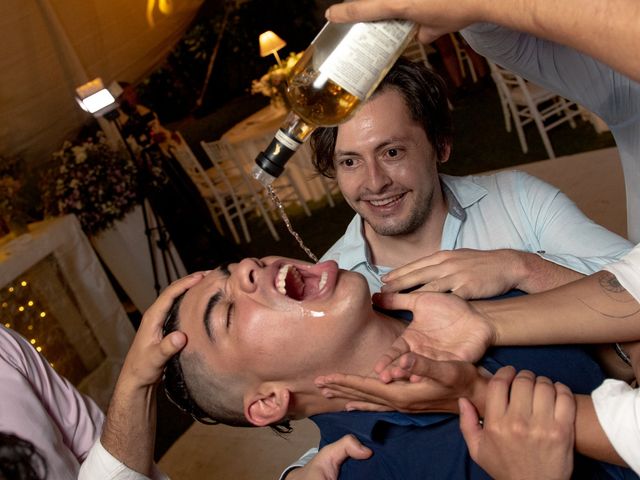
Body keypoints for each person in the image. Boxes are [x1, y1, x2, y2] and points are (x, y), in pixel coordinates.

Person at [84, 257, 637, 479]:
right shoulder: (370, 472)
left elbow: (623, 352)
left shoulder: (457, 292)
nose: (250, 266)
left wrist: (527, 271)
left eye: (233, 269)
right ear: (269, 400)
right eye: (226, 310)